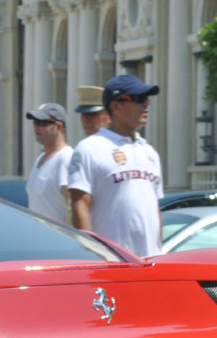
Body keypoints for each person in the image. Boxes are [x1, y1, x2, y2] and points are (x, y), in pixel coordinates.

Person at [68, 74, 163, 257]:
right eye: (139, 99)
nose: (146, 104)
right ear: (116, 106)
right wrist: (91, 255)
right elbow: (80, 206)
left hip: (151, 261)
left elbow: (155, 210)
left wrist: (159, 251)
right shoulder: (90, 148)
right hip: (112, 262)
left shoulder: (149, 152)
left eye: (147, 99)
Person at [23, 102, 72, 222]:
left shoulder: (66, 158)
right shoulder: (40, 159)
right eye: (35, 123)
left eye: (43, 123)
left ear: (59, 127)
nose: (37, 127)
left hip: (58, 237)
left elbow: (73, 208)